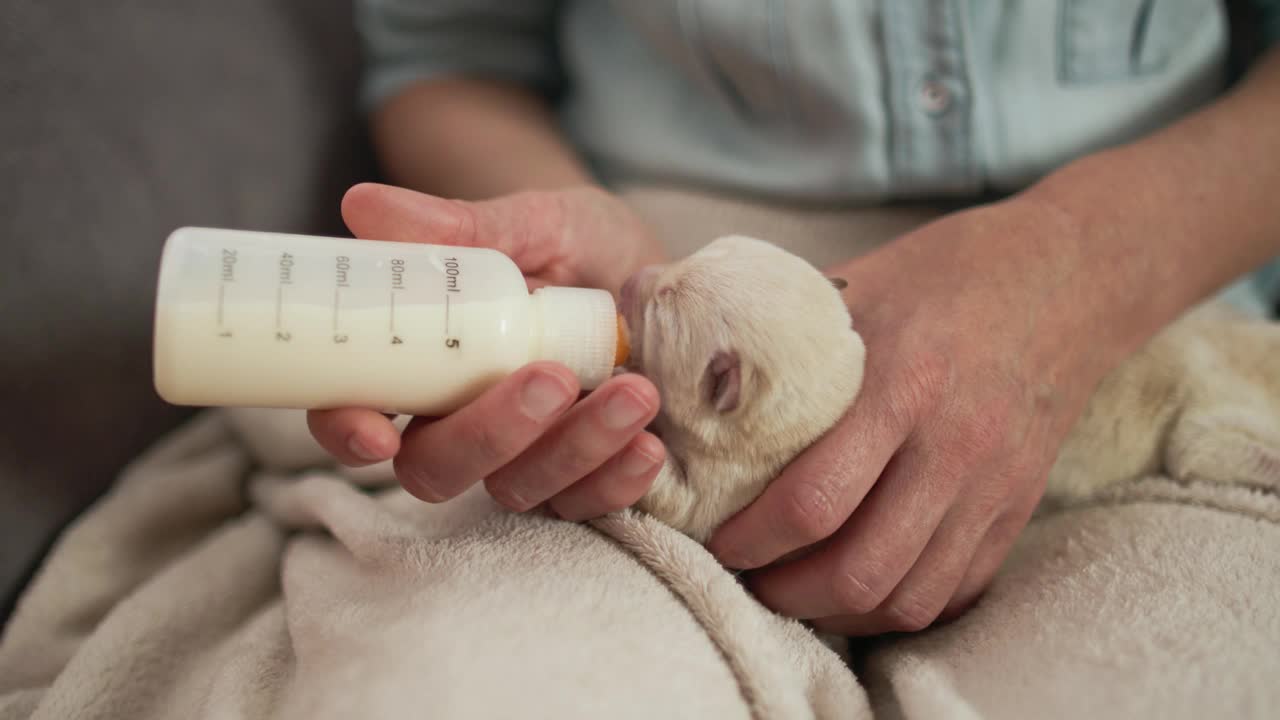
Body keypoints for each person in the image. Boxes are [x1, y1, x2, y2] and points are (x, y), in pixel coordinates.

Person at [308, 2, 1280, 636]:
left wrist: (1080, 263)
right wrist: (598, 263)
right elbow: (448, 58)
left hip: (1163, 314)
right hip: (659, 242)